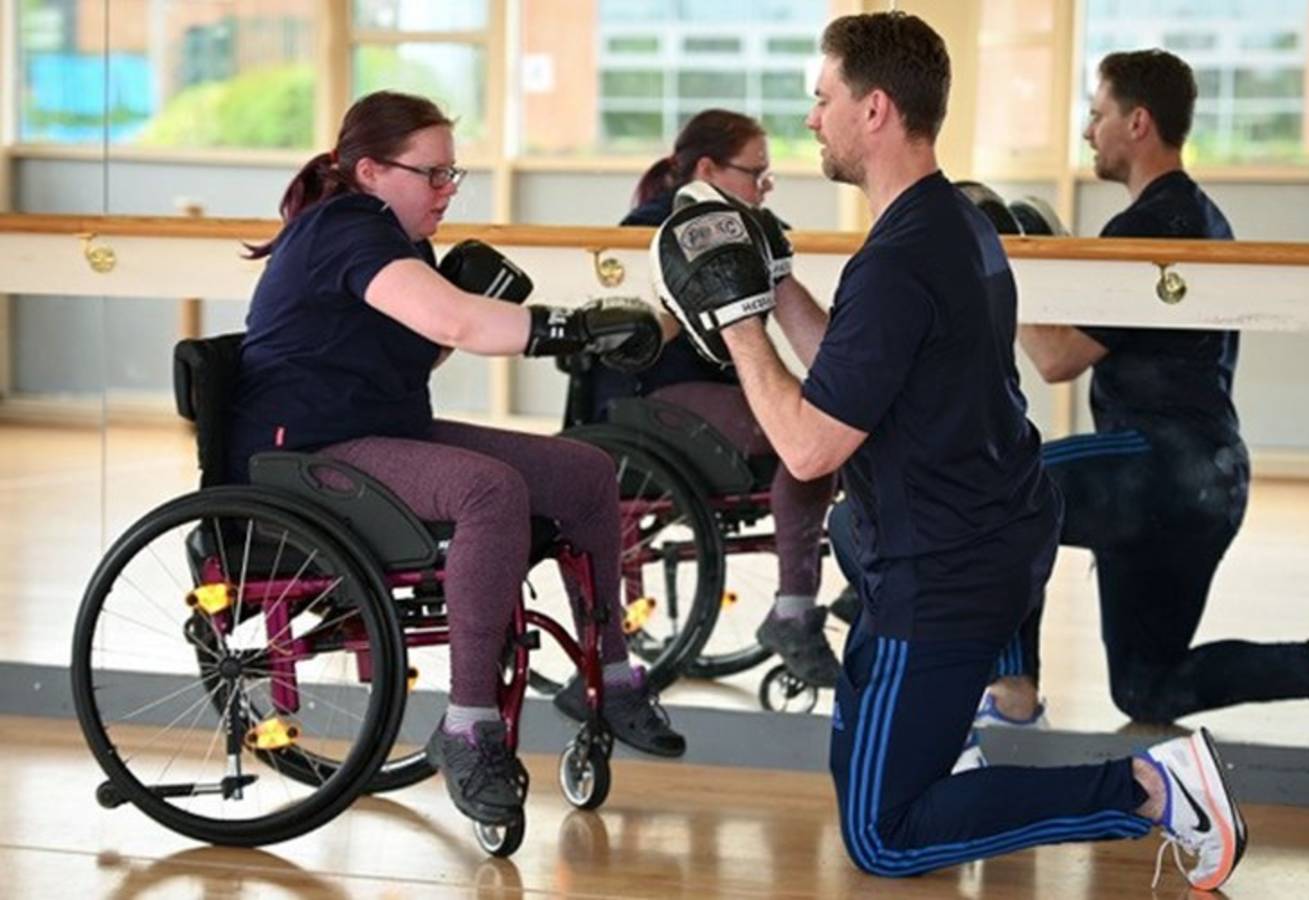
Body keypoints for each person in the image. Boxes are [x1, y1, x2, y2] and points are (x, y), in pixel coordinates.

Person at [651, 14, 1245, 891]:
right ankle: (951, 745)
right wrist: (773, 283)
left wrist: (739, 329)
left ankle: (1156, 789)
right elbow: (857, 372)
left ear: (876, 108)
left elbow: (810, 446)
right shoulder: (945, 224)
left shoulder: (901, 259)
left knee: (884, 835)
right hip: (971, 534)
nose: (812, 119)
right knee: (865, 775)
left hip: (944, 565)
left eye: (823, 99)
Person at [228, 90, 686, 830]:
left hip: (380, 433)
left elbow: (427, 343)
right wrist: (580, 329)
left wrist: (500, 313)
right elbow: (457, 323)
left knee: (586, 473)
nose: (447, 190)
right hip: (305, 452)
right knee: (489, 491)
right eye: (432, 174)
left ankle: (611, 671)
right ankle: (469, 724)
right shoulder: (345, 229)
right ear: (371, 170)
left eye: (453, 175)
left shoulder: (400, 242)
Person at [960, 48, 1309, 749]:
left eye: (1097, 114)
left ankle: (1012, 693)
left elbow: (1054, 358)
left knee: (1002, 491)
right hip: (1215, 481)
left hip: (1158, 466)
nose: (1088, 131)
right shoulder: (1202, 216)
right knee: (1148, 686)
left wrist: (991, 255)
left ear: (1137, 122)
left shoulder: (1148, 227)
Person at [574, 108, 840, 685]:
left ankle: (809, 600)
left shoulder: (751, 227)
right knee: (804, 427)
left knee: (830, 431)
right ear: (707, 169)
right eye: (755, 174)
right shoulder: (644, 231)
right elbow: (636, 339)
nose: (763, 188)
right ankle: (796, 610)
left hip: (713, 393)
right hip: (647, 397)